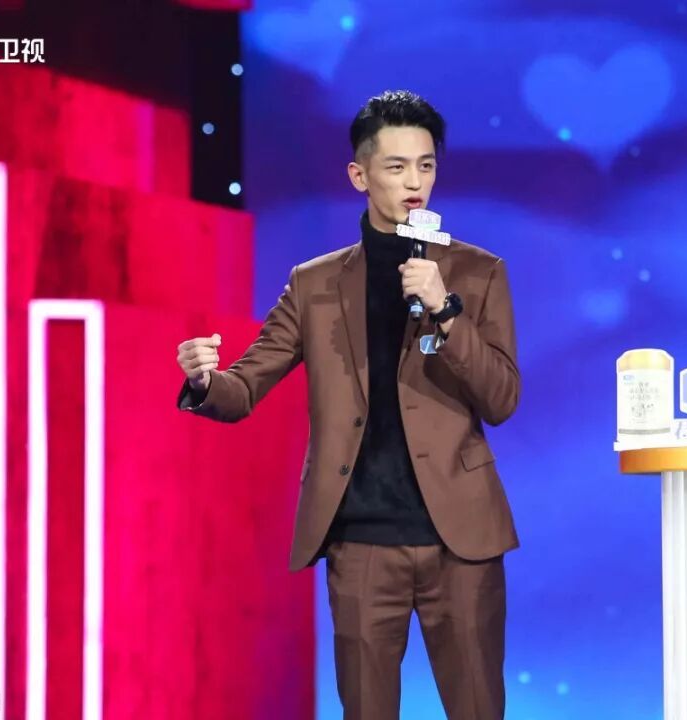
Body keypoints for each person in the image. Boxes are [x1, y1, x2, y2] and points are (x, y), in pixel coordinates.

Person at [175, 89, 520, 720]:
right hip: (361, 542)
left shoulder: (478, 273)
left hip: (461, 540)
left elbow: (501, 398)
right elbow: (244, 386)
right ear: (359, 175)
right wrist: (204, 381)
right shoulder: (314, 284)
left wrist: (445, 310)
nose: (415, 182)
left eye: (426, 166)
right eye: (397, 167)